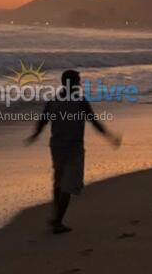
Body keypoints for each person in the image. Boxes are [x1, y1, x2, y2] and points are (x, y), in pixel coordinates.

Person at [26, 69, 122, 233]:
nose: (79, 83)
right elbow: (93, 121)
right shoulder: (80, 100)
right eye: (78, 81)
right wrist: (109, 136)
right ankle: (57, 222)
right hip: (74, 148)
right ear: (74, 83)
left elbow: (43, 121)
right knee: (68, 185)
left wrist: (35, 135)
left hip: (56, 146)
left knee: (59, 182)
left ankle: (55, 216)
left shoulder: (54, 100)